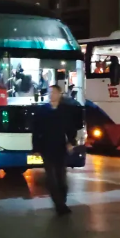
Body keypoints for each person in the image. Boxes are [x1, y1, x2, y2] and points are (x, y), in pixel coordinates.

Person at [33, 84, 76, 216]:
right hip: (46, 149)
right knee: (51, 179)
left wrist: (71, 142)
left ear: (59, 94)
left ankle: (62, 201)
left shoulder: (65, 111)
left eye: (54, 92)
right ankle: (59, 205)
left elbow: (71, 128)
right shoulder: (42, 111)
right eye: (50, 92)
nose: (51, 95)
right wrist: (36, 148)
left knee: (61, 179)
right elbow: (36, 131)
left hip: (60, 148)